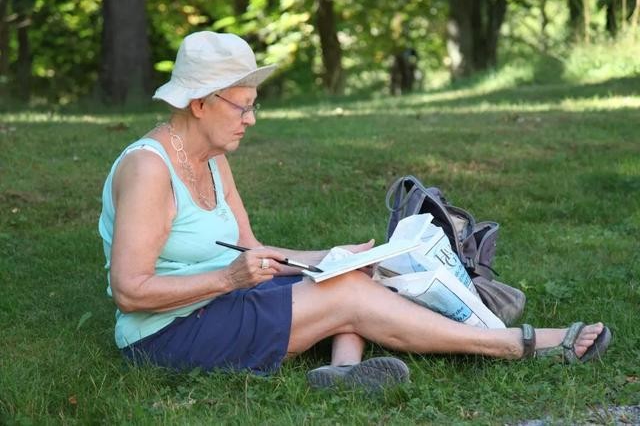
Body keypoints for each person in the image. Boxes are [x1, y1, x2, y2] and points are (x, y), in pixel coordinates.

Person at [98, 31, 611, 390]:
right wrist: (230, 280)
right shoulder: (149, 169)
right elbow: (131, 291)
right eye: (243, 106)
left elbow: (250, 250)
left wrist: (326, 254)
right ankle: (511, 344)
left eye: (255, 104)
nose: (252, 119)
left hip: (218, 302)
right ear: (200, 103)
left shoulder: (210, 158)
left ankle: (343, 373)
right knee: (345, 293)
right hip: (166, 333)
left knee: (344, 275)